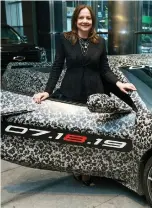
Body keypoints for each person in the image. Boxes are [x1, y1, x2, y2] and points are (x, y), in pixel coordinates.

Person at [33, 5, 136, 185]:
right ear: (75, 20)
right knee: (74, 136)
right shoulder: (65, 38)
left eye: (88, 18)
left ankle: (92, 169)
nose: (85, 21)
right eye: (81, 18)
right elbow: (57, 66)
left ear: (92, 21)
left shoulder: (100, 42)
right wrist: (47, 91)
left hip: (94, 94)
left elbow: (105, 70)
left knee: (94, 136)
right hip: (71, 93)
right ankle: (77, 168)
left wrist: (119, 83)